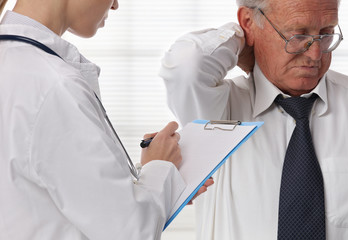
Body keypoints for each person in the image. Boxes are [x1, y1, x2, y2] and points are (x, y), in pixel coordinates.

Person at [160, 0, 348, 239]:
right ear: (249, 22)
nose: (315, 54)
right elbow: (187, 65)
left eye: (326, 34)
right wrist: (242, 41)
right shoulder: (218, 114)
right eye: (297, 35)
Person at [0, 0, 213, 239]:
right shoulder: (54, 87)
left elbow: (45, 197)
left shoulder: (16, 66)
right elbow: (130, 230)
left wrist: (162, 183)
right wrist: (160, 168)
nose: (115, 5)